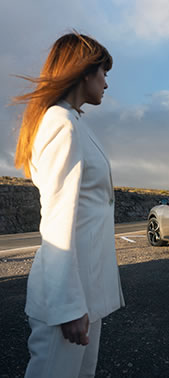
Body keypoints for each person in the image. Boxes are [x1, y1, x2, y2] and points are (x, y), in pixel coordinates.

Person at [13, 32, 125, 378]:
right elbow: (58, 222)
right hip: (68, 301)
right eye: (103, 73)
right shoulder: (60, 125)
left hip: (86, 294)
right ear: (84, 72)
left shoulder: (73, 121)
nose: (106, 83)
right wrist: (68, 307)